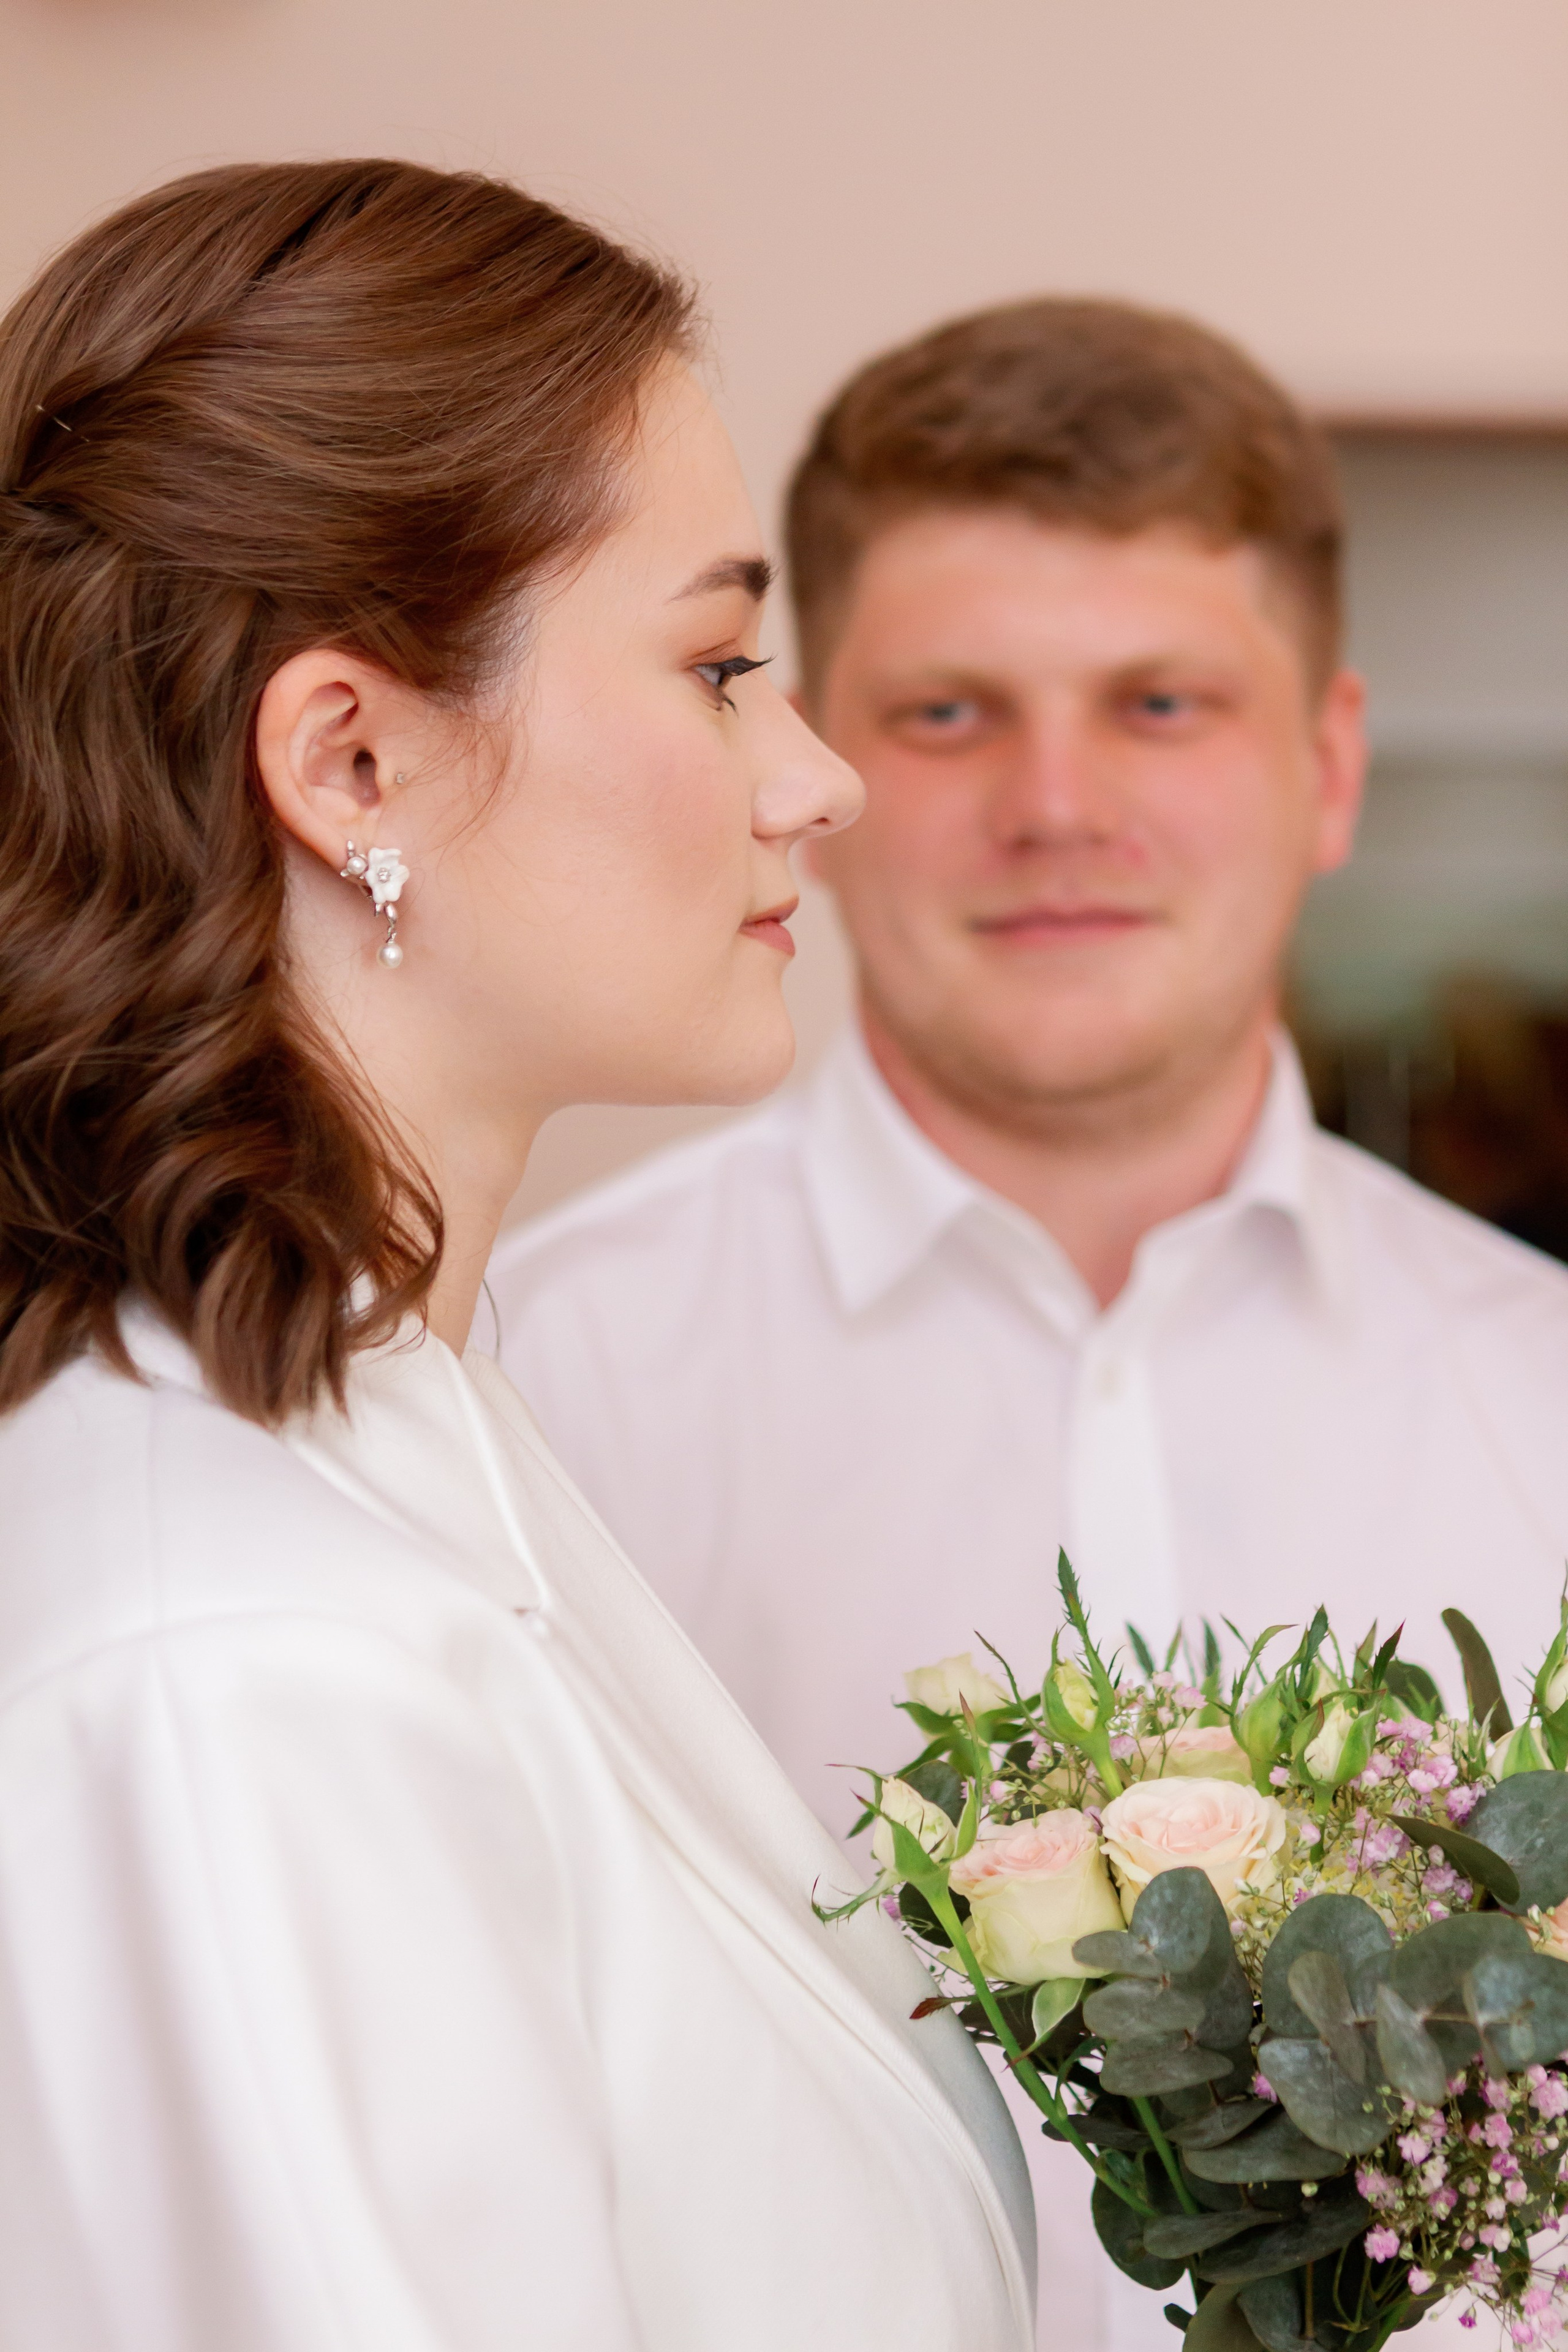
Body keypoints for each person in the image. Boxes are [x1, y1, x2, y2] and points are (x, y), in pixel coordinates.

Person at [0, 163, 1036, 2351]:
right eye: (721, 664)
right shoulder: (249, 1657)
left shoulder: (423, 1452)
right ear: (349, 756)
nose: (820, 781)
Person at [489, 298, 1568, 2352]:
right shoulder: (535, 1388)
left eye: (1161, 704)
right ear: (795, 761)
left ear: (1327, 766)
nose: (1057, 803)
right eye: (951, 713)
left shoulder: (1552, 1393)